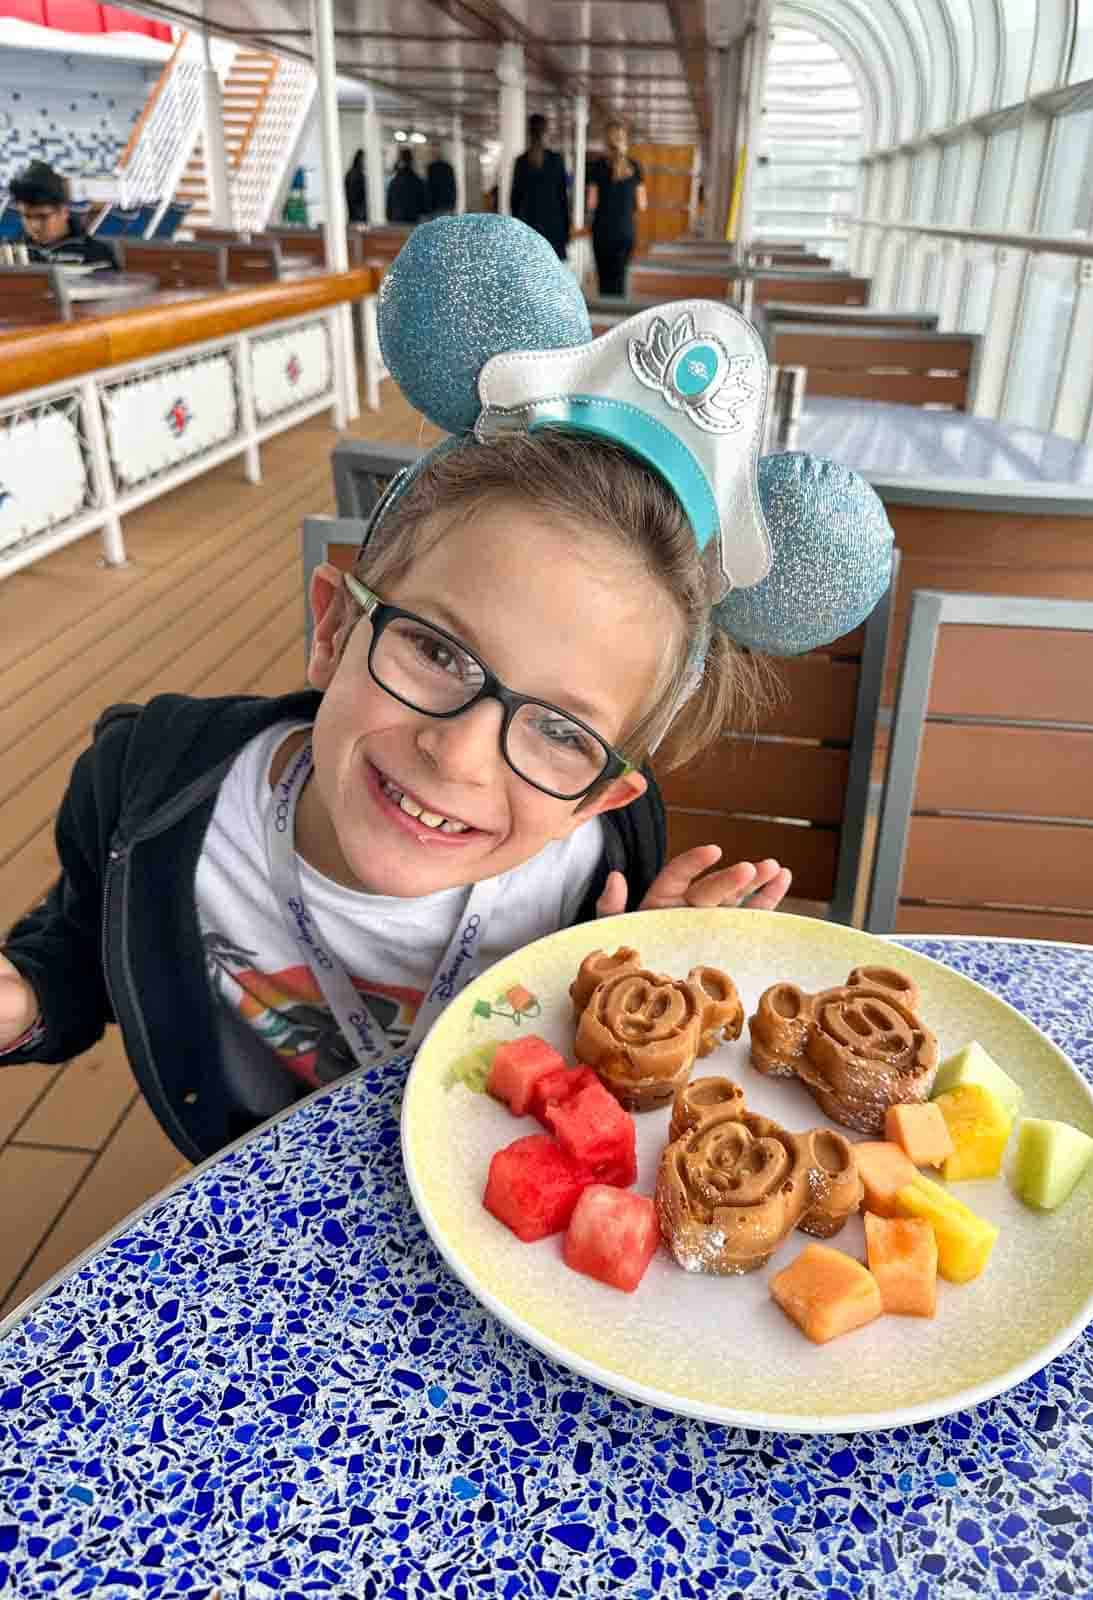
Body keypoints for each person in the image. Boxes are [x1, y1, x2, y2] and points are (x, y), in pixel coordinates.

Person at [0, 215, 891, 1162]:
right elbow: (81, 952)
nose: (458, 752)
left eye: (559, 731)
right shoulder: (152, 792)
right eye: (437, 652)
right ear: (336, 629)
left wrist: (634, 985)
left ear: (603, 794)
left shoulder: (599, 873)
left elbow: (576, 1096)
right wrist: (20, 1000)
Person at [7, 160, 118, 270]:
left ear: (64, 211)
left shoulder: (96, 255)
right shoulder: (8, 252)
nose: (34, 225)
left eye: (42, 217)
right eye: (27, 216)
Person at [586, 121, 647, 295]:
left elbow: (592, 204)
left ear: (606, 142)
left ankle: (605, 315)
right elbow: (642, 205)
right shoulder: (635, 167)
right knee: (621, 278)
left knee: (605, 281)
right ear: (625, 140)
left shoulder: (596, 167)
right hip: (626, 231)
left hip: (602, 232)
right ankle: (620, 315)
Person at [510, 114, 569, 260]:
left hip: (529, 227)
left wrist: (517, 229)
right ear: (547, 132)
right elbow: (563, 198)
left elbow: (514, 200)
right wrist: (567, 229)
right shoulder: (556, 161)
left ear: (528, 133)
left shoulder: (521, 162)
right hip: (554, 226)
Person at [386, 149, 427, 224]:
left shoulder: (394, 181)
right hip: (413, 218)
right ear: (412, 161)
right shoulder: (417, 181)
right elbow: (423, 203)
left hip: (397, 219)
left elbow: (389, 205)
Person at [426, 144, 457, 216]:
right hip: (444, 203)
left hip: (437, 204)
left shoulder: (431, 168)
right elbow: (453, 187)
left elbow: (429, 187)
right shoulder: (447, 167)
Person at [344, 148, 367, 224]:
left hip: (353, 215)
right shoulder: (357, 175)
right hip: (358, 216)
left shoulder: (350, 174)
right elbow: (354, 196)